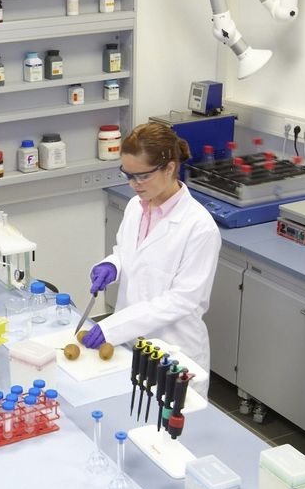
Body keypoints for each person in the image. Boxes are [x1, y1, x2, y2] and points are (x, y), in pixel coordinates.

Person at [81, 122, 222, 390]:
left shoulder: (199, 227)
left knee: (170, 415)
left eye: (142, 176)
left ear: (169, 168)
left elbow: (181, 300)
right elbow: (127, 253)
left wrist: (113, 327)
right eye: (128, 175)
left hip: (174, 351)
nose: (133, 184)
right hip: (131, 343)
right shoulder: (136, 206)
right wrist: (112, 265)